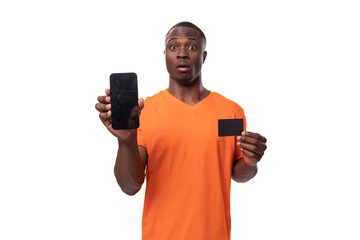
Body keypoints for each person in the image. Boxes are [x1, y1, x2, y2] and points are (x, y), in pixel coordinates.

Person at [95, 21, 267, 240]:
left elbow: (239, 174)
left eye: (192, 47)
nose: (183, 53)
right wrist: (126, 141)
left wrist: (251, 162)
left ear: (204, 56)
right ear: (165, 55)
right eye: (174, 47)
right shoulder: (144, 112)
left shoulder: (231, 111)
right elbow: (130, 186)